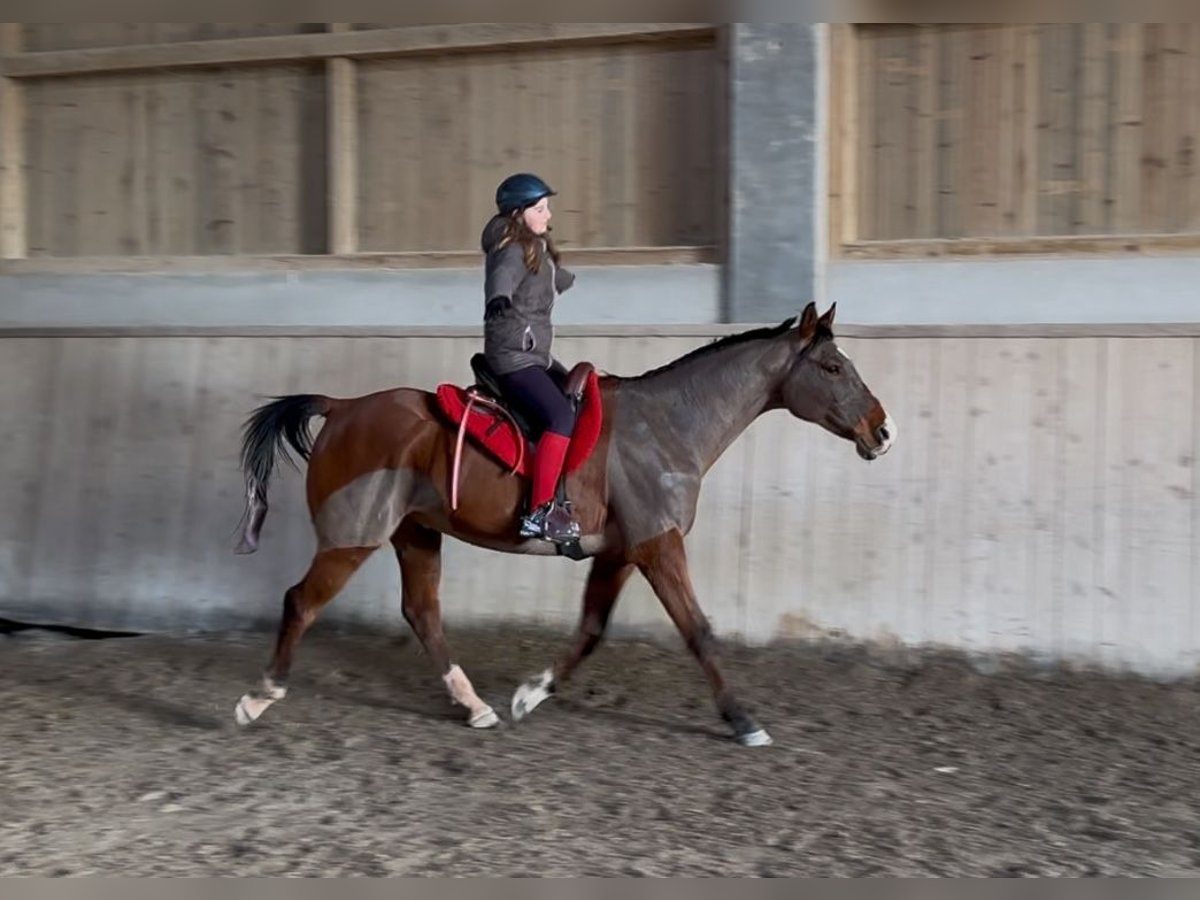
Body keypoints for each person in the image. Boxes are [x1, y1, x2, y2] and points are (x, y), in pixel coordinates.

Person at [480, 172, 581, 544]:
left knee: (580, 394)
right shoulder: (512, 247)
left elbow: (543, 276)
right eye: (541, 209)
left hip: (534, 354)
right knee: (560, 415)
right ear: (520, 213)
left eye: (547, 207)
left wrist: (564, 279)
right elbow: (503, 275)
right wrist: (499, 298)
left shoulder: (534, 246)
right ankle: (538, 512)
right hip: (514, 356)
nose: (548, 215)